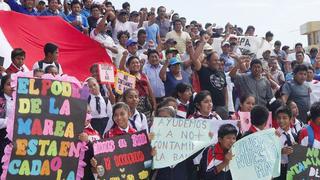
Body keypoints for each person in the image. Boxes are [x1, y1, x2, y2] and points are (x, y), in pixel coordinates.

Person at [192, 38, 228, 119]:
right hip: (207, 107)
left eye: (218, 60)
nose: (217, 62)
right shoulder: (203, 70)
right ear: (208, 62)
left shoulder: (221, 73)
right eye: (215, 60)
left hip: (222, 108)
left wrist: (226, 105)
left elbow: (225, 90)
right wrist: (203, 43)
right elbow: (194, 59)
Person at [120, 56, 156, 123]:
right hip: (134, 101)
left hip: (146, 102)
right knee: (136, 121)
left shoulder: (144, 75)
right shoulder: (127, 75)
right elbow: (121, 66)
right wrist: (124, 55)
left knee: (147, 121)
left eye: (137, 62)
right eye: (133, 63)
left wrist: (154, 103)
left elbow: (150, 91)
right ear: (128, 66)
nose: (136, 64)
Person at [274, 105, 295, 180]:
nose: (281, 121)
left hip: (292, 168)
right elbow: (268, 154)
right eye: (279, 118)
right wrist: (281, 152)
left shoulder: (294, 135)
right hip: (279, 170)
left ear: (290, 119)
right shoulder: (273, 135)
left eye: (284, 118)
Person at [0, 75, 14, 176]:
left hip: (18, 137)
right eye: (8, 84)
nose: (12, 86)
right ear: (3, 87)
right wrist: (12, 122)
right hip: (3, 137)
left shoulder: (22, 97)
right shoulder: (1, 100)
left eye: (14, 83)